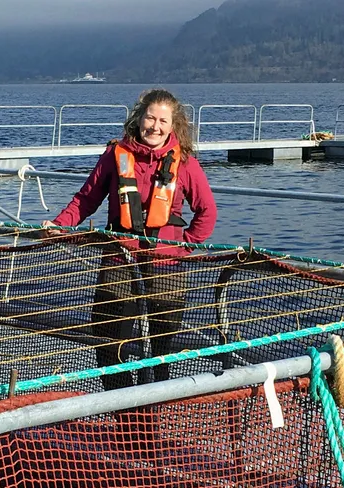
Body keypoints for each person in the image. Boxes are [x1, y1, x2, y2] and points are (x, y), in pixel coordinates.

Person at [42, 88, 217, 392]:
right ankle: (123, 417)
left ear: (173, 126)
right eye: (151, 117)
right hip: (119, 260)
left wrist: (184, 245)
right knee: (109, 343)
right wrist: (60, 224)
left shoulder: (185, 162)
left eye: (163, 121)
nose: (155, 126)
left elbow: (207, 211)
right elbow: (86, 199)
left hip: (166, 266)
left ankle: (150, 416)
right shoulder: (115, 156)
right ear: (139, 119)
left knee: (159, 351)